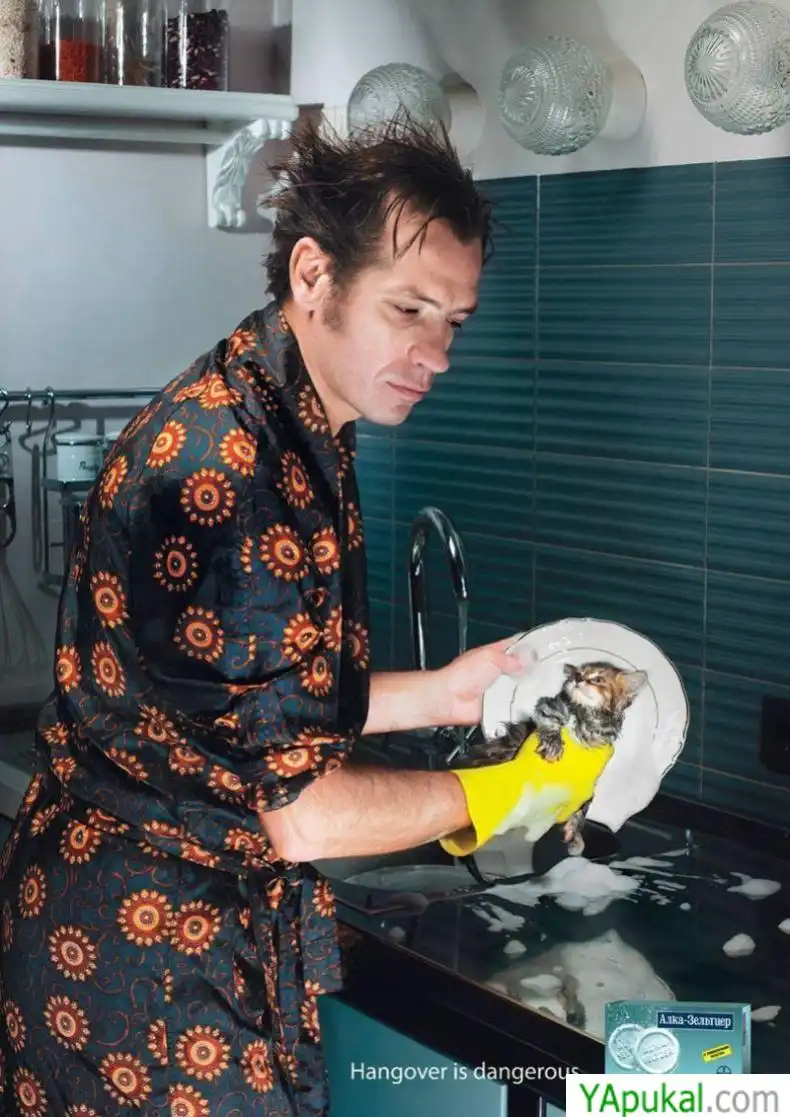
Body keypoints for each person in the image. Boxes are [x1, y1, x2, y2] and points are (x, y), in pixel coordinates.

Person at [0, 115, 535, 1116]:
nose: (435, 353)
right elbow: (305, 812)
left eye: (452, 322)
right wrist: (510, 790)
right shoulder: (236, 472)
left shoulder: (289, 419)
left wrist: (443, 694)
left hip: (147, 935)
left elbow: (252, 706)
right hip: (151, 970)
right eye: (408, 309)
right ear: (314, 275)